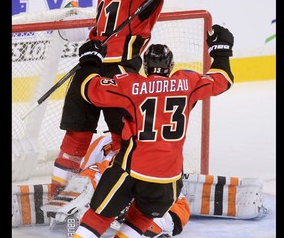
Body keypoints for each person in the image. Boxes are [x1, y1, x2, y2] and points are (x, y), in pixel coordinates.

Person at [66, 23, 235, 238]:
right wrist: (221, 53)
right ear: (171, 66)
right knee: (138, 222)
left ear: (145, 66)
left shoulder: (131, 85)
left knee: (97, 219)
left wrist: (90, 61)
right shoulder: (188, 83)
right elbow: (223, 80)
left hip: (131, 173)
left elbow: (89, 90)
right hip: (168, 181)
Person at [51, 0, 189, 197]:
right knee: (124, 140)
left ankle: (59, 192)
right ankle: (116, 195)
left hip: (87, 70)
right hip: (120, 76)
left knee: (75, 137)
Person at [12, 134, 266, 236]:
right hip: (133, 202)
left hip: (161, 206)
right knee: (96, 177)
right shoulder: (104, 145)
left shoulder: (151, 145)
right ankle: (83, 217)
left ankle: (146, 226)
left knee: (156, 206)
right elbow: (84, 176)